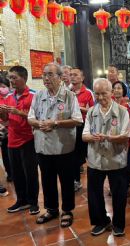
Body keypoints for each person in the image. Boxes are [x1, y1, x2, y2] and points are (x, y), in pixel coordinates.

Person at [28, 62, 83, 227]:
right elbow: (30, 117)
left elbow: (78, 120)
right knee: (47, 179)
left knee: (66, 180)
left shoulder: (69, 96)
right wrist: (39, 124)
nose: (46, 78)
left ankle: (67, 210)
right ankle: (51, 209)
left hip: (63, 146)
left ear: (60, 77)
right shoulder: (38, 95)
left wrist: (56, 123)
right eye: (44, 74)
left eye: (50, 74)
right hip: (42, 146)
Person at [82, 78, 130, 237]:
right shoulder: (91, 112)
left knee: (119, 194)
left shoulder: (122, 111)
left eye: (104, 93)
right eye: (97, 94)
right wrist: (92, 137)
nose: (101, 97)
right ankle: (100, 221)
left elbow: (125, 136)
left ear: (111, 93)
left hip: (116, 159)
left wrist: (108, 137)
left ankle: (118, 224)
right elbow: (84, 135)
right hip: (96, 159)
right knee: (94, 194)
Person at [0, 66, 39, 215]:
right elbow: (6, 121)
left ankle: (33, 202)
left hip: (29, 139)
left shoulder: (34, 96)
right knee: (16, 173)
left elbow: (38, 118)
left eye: (14, 77)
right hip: (12, 139)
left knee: (30, 173)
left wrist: (20, 113)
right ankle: (22, 200)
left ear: (24, 78)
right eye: (10, 78)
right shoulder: (9, 97)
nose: (11, 81)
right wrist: (3, 114)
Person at [70, 68, 95, 192]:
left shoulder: (88, 92)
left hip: (85, 126)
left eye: (75, 75)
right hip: (71, 127)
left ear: (82, 77)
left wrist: (80, 109)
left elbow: (94, 111)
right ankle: (76, 181)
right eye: (71, 75)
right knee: (73, 156)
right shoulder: (67, 92)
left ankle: (94, 181)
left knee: (88, 154)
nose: (72, 77)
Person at [113, 81, 130, 194]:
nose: (117, 90)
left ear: (124, 91)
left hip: (127, 141)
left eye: (119, 88)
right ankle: (115, 187)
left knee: (126, 165)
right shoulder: (109, 104)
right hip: (113, 140)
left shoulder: (128, 105)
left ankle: (126, 187)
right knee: (115, 164)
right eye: (115, 88)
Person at [0, 74, 12, 182]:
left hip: (13, 129)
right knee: (5, 153)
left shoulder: (12, 96)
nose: (2, 89)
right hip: (2, 130)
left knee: (13, 153)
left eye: (4, 86)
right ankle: (9, 173)